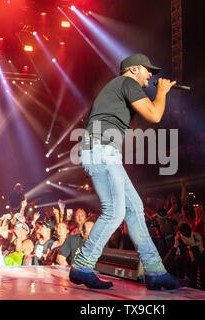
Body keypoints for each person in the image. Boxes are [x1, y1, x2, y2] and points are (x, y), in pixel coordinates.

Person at [70, 53, 181, 290]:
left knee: (134, 209)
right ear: (133, 70)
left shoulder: (119, 87)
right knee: (114, 212)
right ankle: (82, 265)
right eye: (147, 70)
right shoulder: (126, 83)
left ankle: (155, 271)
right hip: (101, 151)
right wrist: (161, 92)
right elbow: (154, 114)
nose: (151, 75)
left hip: (104, 151)